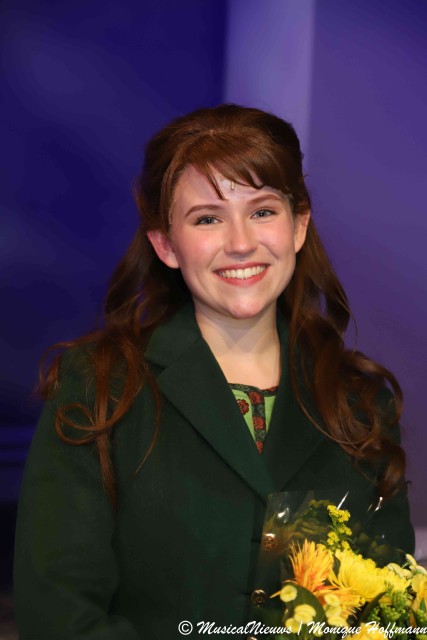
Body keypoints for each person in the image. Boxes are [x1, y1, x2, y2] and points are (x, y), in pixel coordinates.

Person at [14, 104, 414, 640]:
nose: (241, 242)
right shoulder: (102, 383)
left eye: (262, 211)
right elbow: (58, 612)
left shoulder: (360, 401)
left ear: (298, 225)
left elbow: (389, 615)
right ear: (165, 244)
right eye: (207, 218)